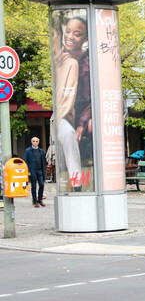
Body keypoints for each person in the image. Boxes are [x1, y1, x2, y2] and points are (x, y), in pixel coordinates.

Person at [53, 14, 89, 191]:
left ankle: (78, 182)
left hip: (81, 116)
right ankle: (76, 182)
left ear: (85, 38)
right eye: (68, 31)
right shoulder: (63, 60)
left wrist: (82, 123)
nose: (70, 37)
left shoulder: (86, 62)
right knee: (68, 134)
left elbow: (90, 97)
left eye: (77, 34)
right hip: (65, 116)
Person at [24, 137, 47, 207]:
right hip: (32, 170)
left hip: (40, 170)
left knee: (41, 185)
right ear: (31, 142)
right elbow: (26, 161)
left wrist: (44, 172)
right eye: (34, 141)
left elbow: (43, 162)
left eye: (36, 141)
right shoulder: (28, 151)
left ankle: (40, 199)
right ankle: (35, 201)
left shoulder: (41, 151)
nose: (35, 142)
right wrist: (27, 171)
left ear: (38, 142)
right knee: (33, 186)